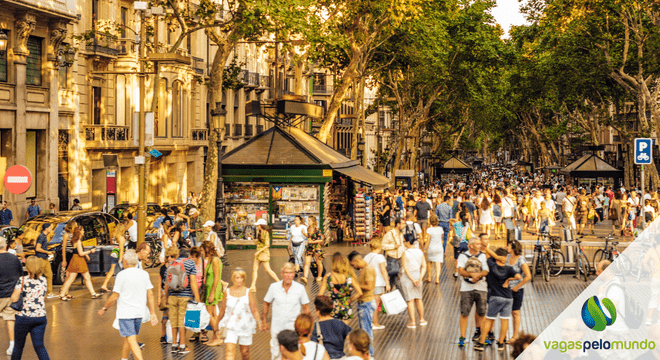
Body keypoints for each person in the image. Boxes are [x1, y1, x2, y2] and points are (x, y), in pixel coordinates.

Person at [97, 250, 158, 360]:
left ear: (125, 261)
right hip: (139, 312)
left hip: (126, 313)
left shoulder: (121, 275)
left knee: (131, 339)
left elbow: (114, 296)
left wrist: (104, 308)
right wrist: (153, 313)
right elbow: (151, 294)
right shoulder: (144, 274)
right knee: (128, 338)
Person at [474, 246, 521, 352]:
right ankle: (501, 344)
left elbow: (489, 253)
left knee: (488, 320)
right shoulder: (509, 269)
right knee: (504, 321)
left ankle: (481, 344)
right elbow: (518, 277)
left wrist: (491, 252)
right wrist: (509, 279)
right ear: (505, 257)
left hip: (495, 297)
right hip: (508, 298)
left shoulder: (491, 264)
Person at [262, 263, 311, 360]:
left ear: (294, 274)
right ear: (281, 274)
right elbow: (266, 304)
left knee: (293, 354)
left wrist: (307, 328)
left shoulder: (300, 288)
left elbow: (306, 308)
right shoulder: (273, 287)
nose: (288, 275)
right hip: (277, 328)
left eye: (291, 273)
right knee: (276, 354)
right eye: (286, 273)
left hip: (293, 329)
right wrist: (264, 321)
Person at [9, 256, 49, 360]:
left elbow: (14, 298)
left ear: (27, 267)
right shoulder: (44, 280)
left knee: (18, 347)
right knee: (40, 346)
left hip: (23, 317)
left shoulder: (22, 280)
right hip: (40, 317)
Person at [218, 268, 262, 359]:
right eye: (237, 278)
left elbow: (253, 308)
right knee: (229, 352)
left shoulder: (247, 292)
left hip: (245, 325)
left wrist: (259, 322)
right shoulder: (227, 292)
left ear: (243, 279)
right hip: (229, 325)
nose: (239, 280)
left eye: (241, 278)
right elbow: (222, 309)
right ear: (233, 279)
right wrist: (216, 324)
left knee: (245, 352)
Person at [163, 246, 200, 355]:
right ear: (188, 255)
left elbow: (166, 282)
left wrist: (166, 296)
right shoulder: (190, 263)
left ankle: (174, 345)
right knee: (182, 321)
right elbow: (193, 282)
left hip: (172, 296)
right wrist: (196, 297)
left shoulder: (171, 264)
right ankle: (182, 346)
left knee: (174, 321)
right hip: (185, 296)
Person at [456, 237, 489, 347]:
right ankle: (462, 337)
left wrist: (477, 275)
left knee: (482, 313)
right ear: (470, 246)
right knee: (464, 313)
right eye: (477, 244)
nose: (480, 245)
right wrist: (472, 275)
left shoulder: (482, 256)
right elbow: (461, 271)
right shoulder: (462, 256)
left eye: (480, 243)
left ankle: (483, 336)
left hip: (481, 288)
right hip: (466, 288)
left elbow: (485, 270)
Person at [58, 226, 101, 300]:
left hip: (75, 259)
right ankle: (62, 294)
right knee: (78, 278)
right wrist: (90, 251)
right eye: (83, 230)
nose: (84, 231)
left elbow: (78, 251)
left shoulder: (74, 241)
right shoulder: (78, 241)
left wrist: (86, 254)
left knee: (79, 277)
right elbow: (80, 253)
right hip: (79, 260)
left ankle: (93, 294)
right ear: (79, 232)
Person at [318, 253, 362, 323]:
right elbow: (359, 292)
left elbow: (320, 295)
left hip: (332, 307)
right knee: (345, 331)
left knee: (333, 331)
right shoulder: (349, 276)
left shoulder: (328, 276)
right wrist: (350, 299)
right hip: (345, 306)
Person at [347, 251, 376, 357]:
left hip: (366, 304)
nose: (353, 267)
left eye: (353, 264)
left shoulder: (368, 269)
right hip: (364, 303)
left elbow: (369, 287)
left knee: (366, 333)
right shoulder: (365, 269)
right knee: (365, 331)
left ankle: (369, 355)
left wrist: (356, 284)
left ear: (357, 260)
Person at [0, 236, 22, 356]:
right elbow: (20, 275)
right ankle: (12, 345)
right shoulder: (14, 258)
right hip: (11, 294)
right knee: (10, 320)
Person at [311, 295, 352, 360]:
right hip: (341, 357)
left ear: (318, 311)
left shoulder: (314, 327)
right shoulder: (340, 323)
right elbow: (352, 336)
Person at [201, 241, 225, 346]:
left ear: (206, 250)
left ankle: (218, 336)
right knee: (213, 313)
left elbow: (216, 277)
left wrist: (211, 293)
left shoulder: (215, 260)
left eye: (202, 250)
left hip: (212, 290)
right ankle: (215, 337)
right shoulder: (211, 260)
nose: (201, 252)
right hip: (210, 289)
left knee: (209, 313)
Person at [363, 238, 389, 330]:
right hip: (378, 283)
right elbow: (383, 270)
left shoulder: (366, 257)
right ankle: (375, 323)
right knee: (376, 304)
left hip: (368, 283)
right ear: (379, 246)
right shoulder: (380, 257)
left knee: (370, 304)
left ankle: (369, 322)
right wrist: (387, 283)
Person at [401, 238, 427, 329]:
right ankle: (422, 319)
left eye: (404, 241)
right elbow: (424, 266)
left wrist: (412, 280)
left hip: (408, 277)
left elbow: (406, 269)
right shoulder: (420, 252)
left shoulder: (405, 253)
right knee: (419, 298)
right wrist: (420, 278)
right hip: (417, 275)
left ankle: (413, 322)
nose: (403, 242)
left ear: (408, 242)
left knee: (410, 300)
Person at [249, 218, 279, 292]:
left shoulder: (266, 233)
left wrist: (258, 252)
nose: (257, 226)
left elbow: (267, 245)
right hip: (258, 253)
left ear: (261, 225)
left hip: (263, 253)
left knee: (268, 270)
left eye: (258, 225)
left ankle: (279, 282)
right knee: (254, 269)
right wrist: (252, 239)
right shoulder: (259, 233)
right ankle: (253, 286)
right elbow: (258, 244)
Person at [101, 221, 127, 292]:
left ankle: (104, 284)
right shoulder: (121, 238)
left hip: (113, 253)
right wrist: (120, 259)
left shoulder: (114, 236)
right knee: (121, 270)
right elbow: (121, 249)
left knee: (112, 270)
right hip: (118, 255)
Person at [381, 217, 406, 291]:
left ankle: (388, 292)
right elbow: (383, 245)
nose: (404, 225)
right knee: (397, 279)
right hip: (392, 259)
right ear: (398, 224)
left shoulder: (401, 234)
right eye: (403, 224)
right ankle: (402, 297)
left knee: (393, 277)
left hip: (399, 258)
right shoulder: (390, 234)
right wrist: (393, 246)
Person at [302, 216, 325, 285]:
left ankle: (319, 276)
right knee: (307, 262)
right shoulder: (308, 228)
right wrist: (304, 234)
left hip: (316, 248)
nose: (308, 222)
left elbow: (321, 239)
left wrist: (312, 242)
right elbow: (310, 236)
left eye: (309, 220)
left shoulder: (317, 230)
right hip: (309, 248)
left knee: (318, 263)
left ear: (313, 222)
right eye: (308, 220)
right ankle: (305, 277)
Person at [33, 224, 54, 298]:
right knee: (39, 275)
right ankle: (37, 293)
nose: (51, 229)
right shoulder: (42, 236)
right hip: (41, 258)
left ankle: (50, 292)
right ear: (46, 228)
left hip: (45, 258)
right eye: (50, 227)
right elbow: (37, 248)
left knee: (49, 275)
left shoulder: (43, 236)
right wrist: (47, 252)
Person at [450, 212, 473, 278]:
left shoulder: (456, 224)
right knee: (467, 258)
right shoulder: (467, 224)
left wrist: (456, 219)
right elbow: (471, 229)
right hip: (465, 243)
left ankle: (456, 273)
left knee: (456, 259)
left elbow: (450, 220)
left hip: (458, 244)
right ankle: (467, 272)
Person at [425, 214, 444, 284]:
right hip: (439, 248)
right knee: (438, 263)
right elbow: (441, 238)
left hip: (431, 248)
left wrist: (424, 248)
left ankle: (429, 277)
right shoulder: (440, 229)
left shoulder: (429, 229)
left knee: (429, 262)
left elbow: (428, 240)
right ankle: (437, 279)